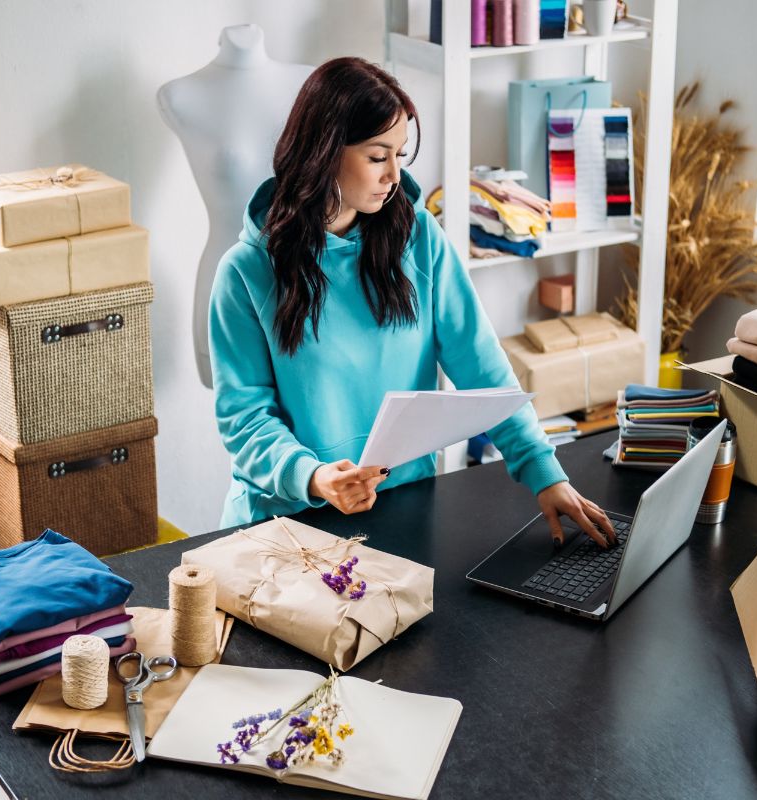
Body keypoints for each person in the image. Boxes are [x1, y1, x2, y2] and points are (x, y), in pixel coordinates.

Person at [208, 57, 615, 547]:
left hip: (403, 506)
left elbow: (482, 368)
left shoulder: (419, 238)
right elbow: (245, 419)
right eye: (378, 157)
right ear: (323, 152)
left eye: (401, 155)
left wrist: (544, 473)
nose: (394, 175)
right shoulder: (245, 273)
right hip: (286, 521)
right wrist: (315, 477)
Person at [156, 24, 312, 389]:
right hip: (226, 281)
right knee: (238, 416)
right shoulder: (181, 95)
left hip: (304, 280)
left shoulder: (307, 85)